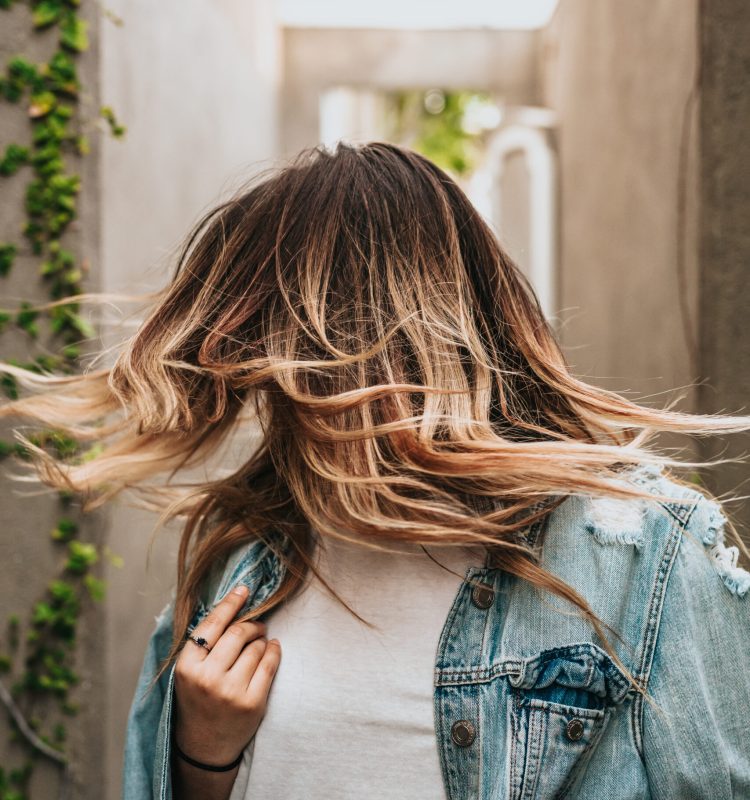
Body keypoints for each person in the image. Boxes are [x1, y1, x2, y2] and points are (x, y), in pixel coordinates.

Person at [2, 141, 749, 800]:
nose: (291, 394)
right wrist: (202, 757)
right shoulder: (239, 565)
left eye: (314, 357)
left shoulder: (640, 554)